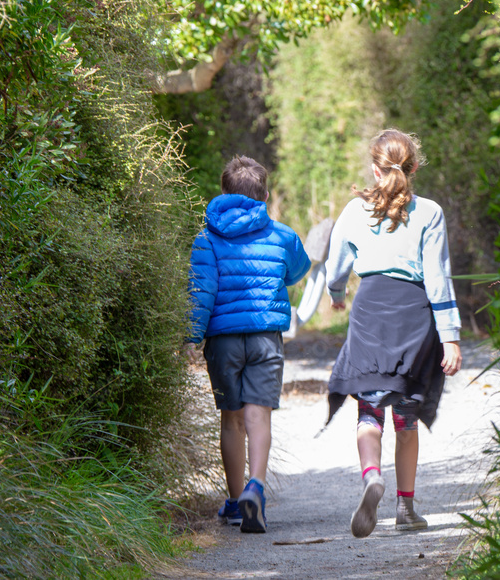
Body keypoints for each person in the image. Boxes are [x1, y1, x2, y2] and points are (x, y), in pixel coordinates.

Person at [324, 129, 463, 539]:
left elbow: (336, 268)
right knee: (407, 418)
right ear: (415, 167)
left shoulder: (354, 211)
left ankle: (371, 477)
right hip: (414, 316)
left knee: (369, 410)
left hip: (369, 311)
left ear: (374, 167)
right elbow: (438, 279)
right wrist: (450, 335)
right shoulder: (430, 212)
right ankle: (405, 508)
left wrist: (335, 295)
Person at [188, 155, 311, 533]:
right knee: (259, 415)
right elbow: (299, 270)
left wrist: (193, 337)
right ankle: (256, 487)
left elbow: (201, 293)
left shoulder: (206, 239)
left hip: (223, 341)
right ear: (265, 196)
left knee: (232, 419)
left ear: (224, 193)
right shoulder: (282, 235)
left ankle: (236, 501)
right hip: (265, 338)